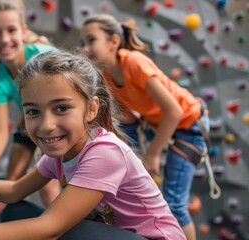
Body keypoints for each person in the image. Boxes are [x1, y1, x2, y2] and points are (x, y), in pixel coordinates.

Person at [0, 50, 186, 240]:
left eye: (62, 108)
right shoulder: (61, 153)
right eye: (33, 111)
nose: (46, 125)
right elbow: (14, 190)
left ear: (91, 109)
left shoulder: (105, 152)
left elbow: (50, 228)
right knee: (14, 212)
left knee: (59, 230)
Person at [80, 13, 215, 240]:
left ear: (114, 41)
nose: (85, 48)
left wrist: (151, 156)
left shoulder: (133, 62)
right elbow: (129, 119)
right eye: (82, 43)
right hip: (159, 124)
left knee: (174, 203)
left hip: (190, 125)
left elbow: (174, 111)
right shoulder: (107, 76)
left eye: (91, 40)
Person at [0, 0, 59, 206]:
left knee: (45, 179)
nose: (4, 39)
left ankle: (61, 230)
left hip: (59, 117)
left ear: (23, 30)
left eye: (11, 30)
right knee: (12, 180)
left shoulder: (42, 55)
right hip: (32, 124)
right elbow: (0, 129)